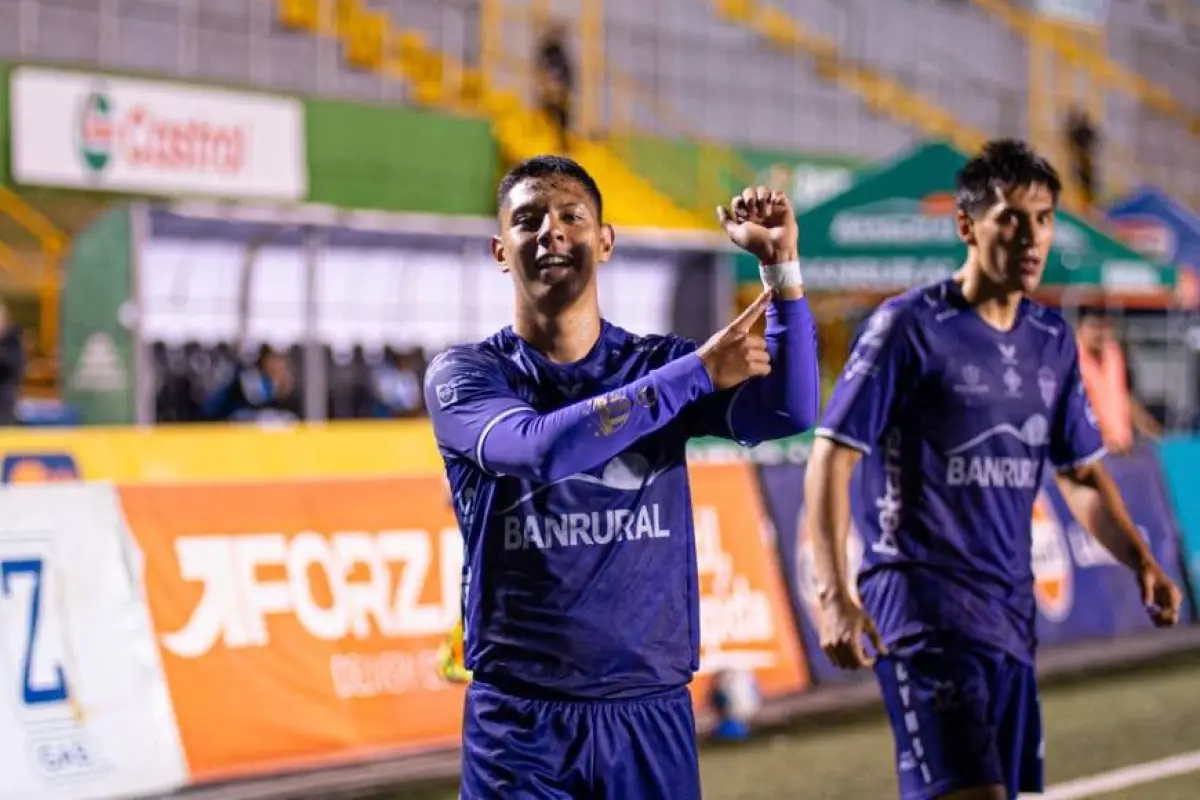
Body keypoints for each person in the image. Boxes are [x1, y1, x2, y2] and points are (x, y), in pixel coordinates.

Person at [426, 154, 819, 799]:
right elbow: (535, 450)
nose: (551, 231)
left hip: (649, 710)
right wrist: (696, 372)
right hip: (521, 728)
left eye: (571, 216)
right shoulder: (467, 375)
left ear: (604, 241)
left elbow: (790, 409)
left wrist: (781, 272)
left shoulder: (655, 362)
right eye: (528, 220)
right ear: (502, 250)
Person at [804, 140, 1181, 800]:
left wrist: (1140, 559)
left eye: (1043, 218)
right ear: (967, 226)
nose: (1030, 236)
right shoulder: (907, 327)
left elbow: (1081, 476)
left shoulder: (1052, 340)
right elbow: (832, 454)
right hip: (920, 607)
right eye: (1010, 217)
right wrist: (836, 596)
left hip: (1008, 614)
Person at [1075, 310, 1162, 454]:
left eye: (1105, 327)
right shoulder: (1070, 360)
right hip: (1092, 452)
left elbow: (1122, 394)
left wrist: (1146, 425)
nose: (1100, 333)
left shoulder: (1113, 353)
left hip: (1121, 447)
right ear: (1079, 328)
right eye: (1094, 326)